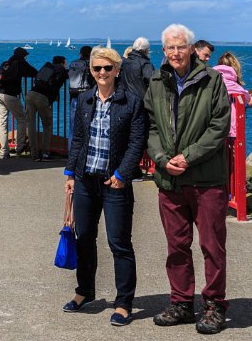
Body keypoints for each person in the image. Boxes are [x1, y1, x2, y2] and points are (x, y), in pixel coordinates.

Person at [144, 24, 230, 334]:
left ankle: (214, 305)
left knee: (212, 246)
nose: (176, 53)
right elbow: (151, 127)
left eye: (181, 47)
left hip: (207, 180)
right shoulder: (156, 81)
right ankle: (181, 302)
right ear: (163, 50)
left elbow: (219, 126)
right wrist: (164, 160)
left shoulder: (213, 80)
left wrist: (188, 156)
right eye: (170, 48)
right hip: (171, 180)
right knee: (176, 246)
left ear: (191, 49)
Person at [63, 47, 146, 326]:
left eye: (107, 69)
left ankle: (124, 303)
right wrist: (70, 173)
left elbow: (137, 143)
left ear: (117, 71)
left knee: (119, 243)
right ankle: (84, 291)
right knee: (84, 237)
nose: (101, 73)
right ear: (91, 70)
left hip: (116, 184)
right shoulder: (85, 99)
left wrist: (123, 174)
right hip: (86, 179)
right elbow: (77, 139)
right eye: (97, 68)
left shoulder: (131, 102)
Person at [0, 46, 38, 159]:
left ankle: (4, 151)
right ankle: (20, 148)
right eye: (25, 56)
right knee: (21, 120)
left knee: (3, 123)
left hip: (0, 95)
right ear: (23, 56)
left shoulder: (6, 63)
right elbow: (34, 72)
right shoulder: (20, 63)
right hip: (11, 96)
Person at [26, 55, 68, 161]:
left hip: (30, 94)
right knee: (47, 125)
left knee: (31, 124)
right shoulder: (61, 70)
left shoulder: (47, 67)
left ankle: (34, 153)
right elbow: (56, 86)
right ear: (63, 63)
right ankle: (45, 153)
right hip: (42, 97)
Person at [68, 45, 93, 142]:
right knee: (87, 127)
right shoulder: (89, 65)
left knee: (73, 128)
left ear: (80, 54)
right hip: (86, 98)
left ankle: (71, 154)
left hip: (74, 97)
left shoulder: (74, 64)